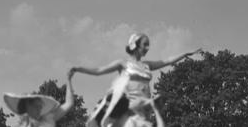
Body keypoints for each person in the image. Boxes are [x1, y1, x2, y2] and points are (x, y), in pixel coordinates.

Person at [68, 33, 201, 121]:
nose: (147, 48)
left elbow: (167, 61)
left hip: (144, 110)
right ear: (135, 45)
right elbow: (99, 71)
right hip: (129, 108)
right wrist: (79, 69)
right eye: (145, 44)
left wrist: (184, 54)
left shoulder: (147, 65)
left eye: (148, 45)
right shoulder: (122, 64)